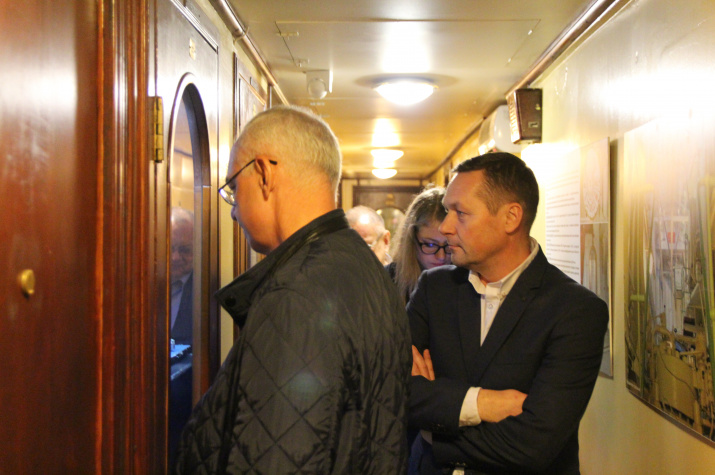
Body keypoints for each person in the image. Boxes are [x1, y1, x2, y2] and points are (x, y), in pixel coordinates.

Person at [173, 105, 412, 474]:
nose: (233, 211)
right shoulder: (362, 265)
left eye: (234, 188)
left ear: (264, 173)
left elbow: (277, 456)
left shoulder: (298, 295)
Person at [409, 152, 608, 474]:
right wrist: (481, 403)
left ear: (511, 217)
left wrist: (433, 435)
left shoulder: (575, 310)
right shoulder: (435, 289)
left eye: (461, 213)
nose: (445, 227)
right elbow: (390, 390)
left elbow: (533, 445)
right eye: (447, 211)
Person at [388, 186, 451, 303]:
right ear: (412, 240)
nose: (441, 256)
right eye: (430, 245)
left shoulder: (468, 280)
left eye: (449, 245)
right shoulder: (388, 280)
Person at [170, 207, 194, 345]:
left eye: (185, 250)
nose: (175, 257)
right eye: (170, 248)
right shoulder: (141, 283)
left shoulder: (205, 289)